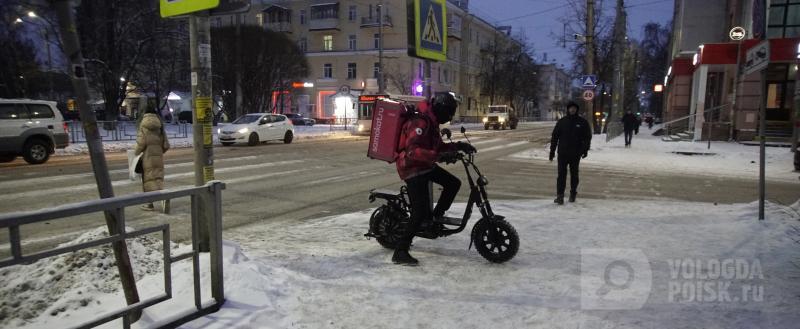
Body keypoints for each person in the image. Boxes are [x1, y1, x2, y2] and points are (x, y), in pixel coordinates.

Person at [393, 92, 476, 265]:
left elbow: (437, 147)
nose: (450, 116)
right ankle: (400, 251)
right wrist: (439, 157)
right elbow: (412, 152)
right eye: (449, 112)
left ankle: (435, 218)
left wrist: (458, 146)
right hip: (412, 168)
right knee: (419, 211)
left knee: (453, 183)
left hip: (424, 165)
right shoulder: (421, 123)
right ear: (441, 109)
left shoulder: (432, 122)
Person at [549, 101, 592, 205]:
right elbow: (555, 137)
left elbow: (587, 137)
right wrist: (552, 151)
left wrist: (585, 150)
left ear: (577, 110)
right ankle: (560, 196)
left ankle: (573, 193)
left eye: (574, 108)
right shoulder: (562, 122)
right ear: (568, 109)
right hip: (563, 153)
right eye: (570, 108)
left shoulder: (582, 122)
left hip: (575, 153)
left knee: (574, 174)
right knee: (561, 175)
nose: (572, 110)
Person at [134, 108, 170, 211]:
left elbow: (140, 145)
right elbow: (166, 145)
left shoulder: (143, 127)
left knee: (148, 180)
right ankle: (163, 198)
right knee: (158, 178)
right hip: (158, 158)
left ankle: (149, 203)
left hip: (147, 158)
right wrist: (159, 152)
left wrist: (136, 154)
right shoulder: (160, 128)